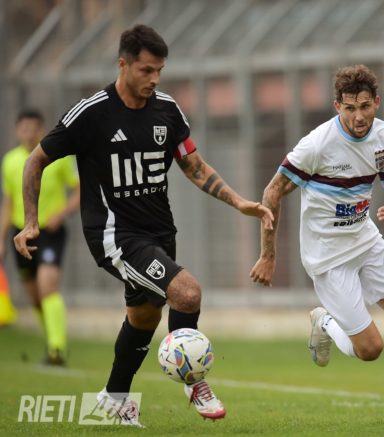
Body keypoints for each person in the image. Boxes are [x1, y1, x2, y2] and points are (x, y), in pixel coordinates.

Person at [13, 25, 274, 426]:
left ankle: (114, 397)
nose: (155, 79)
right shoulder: (91, 113)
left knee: (144, 318)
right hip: (115, 236)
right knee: (186, 293)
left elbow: (194, 165)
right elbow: (36, 160)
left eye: (160, 71)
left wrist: (238, 201)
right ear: (123, 64)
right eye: (146, 70)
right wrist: (31, 221)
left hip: (160, 233)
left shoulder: (167, 110)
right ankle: (194, 380)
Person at [250, 64, 384, 425]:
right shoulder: (317, 144)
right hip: (328, 257)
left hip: (365, 240)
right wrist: (268, 255)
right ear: (337, 107)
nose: (358, 116)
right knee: (371, 349)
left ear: (377, 102)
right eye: (349, 108)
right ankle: (325, 321)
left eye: (364, 106)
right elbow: (273, 191)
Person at [1, 109, 79, 363]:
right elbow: (9, 203)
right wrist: (1, 238)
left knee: (48, 287)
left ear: (42, 129)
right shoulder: (10, 161)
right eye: (24, 128)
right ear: (17, 131)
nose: (29, 133)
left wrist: (62, 213)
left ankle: (57, 348)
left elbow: (79, 191)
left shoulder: (57, 157)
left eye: (34, 128)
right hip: (21, 233)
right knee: (35, 298)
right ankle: (51, 340)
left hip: (50, 231)